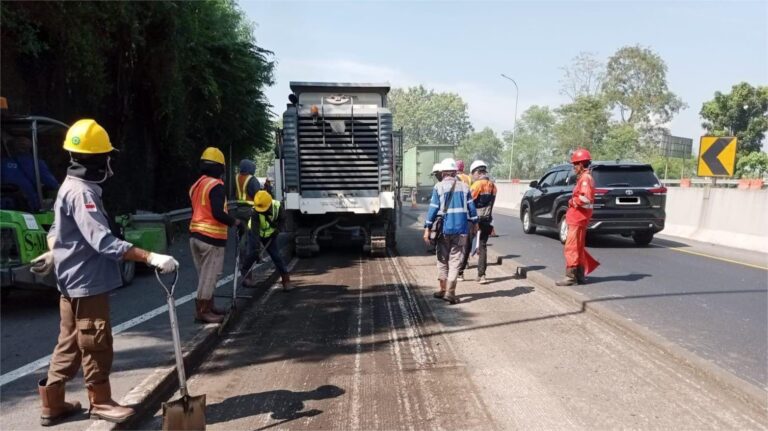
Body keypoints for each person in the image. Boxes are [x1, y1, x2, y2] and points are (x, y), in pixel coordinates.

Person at [30, 119, 179, 426]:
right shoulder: (83, 192)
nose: (109, 162)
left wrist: (54, 251)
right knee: (96, 341)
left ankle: (53, 404)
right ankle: (100, 401)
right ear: (97, 160)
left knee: (69, 342)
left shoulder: (67, 186)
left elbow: (57, 230)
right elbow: (102, 240)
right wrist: (149, 256)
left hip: (70, 281)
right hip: (87, 281)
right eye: (106, 157)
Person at [189, 147, 243, 323]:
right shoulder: (216, 186)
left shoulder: (196, 185)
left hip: (195, 236)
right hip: (210, 238)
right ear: (220, 167)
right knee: (210, 275)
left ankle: (210, 306)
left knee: (204, 275)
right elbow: (218, 213)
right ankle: (203, 312)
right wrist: (235, 222)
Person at [423, 158, 477, 304]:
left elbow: (433, 210)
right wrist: (475, 223)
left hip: (443, 230)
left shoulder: (438, 187)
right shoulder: (465, 187)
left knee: (442, 260)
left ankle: (443, 289)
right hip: (461, 230)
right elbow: (472, 210)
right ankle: (450, 292)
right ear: (454, 172)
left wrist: (427, 228)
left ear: (442, 172)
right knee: (454, 261)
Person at [556, 148, 600, 286]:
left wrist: (573, 201)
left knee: (571, 247)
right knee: (578, 248)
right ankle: (580, 275)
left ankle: (571, 276)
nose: (574, 167)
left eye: (575, 164)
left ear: (581, 164)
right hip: (580, 218)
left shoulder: (585, 179)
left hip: (577, 218)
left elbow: (585, 199)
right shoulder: (587, 178)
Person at [241, 191, 292, 291]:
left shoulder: (278, 207)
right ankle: (247, 279)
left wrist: (278, 230)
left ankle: (286, 280)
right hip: (255, 233)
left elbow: (283, 219)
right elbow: (255, 233)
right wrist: (257, 250)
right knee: (251, 255)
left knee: (276, 257)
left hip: (270, 235)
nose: (261, 211)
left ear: (269, 204)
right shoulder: (255, 212)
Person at [457, 160, 497, 284]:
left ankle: (460, 272)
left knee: (467, 246)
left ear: (477, 172)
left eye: (473, 173)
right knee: (483, 247)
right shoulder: (493, 186)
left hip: (473, 220)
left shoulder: (476, 186)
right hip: (486, 220)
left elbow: (469, 203)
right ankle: (482, 275)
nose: (472, 176)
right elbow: (492, 205)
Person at [1, 136, 60, 212]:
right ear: (30, 147)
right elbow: (52, 184)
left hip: (4, 206)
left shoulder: (3, 162)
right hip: (28, 205)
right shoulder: (36, 163)